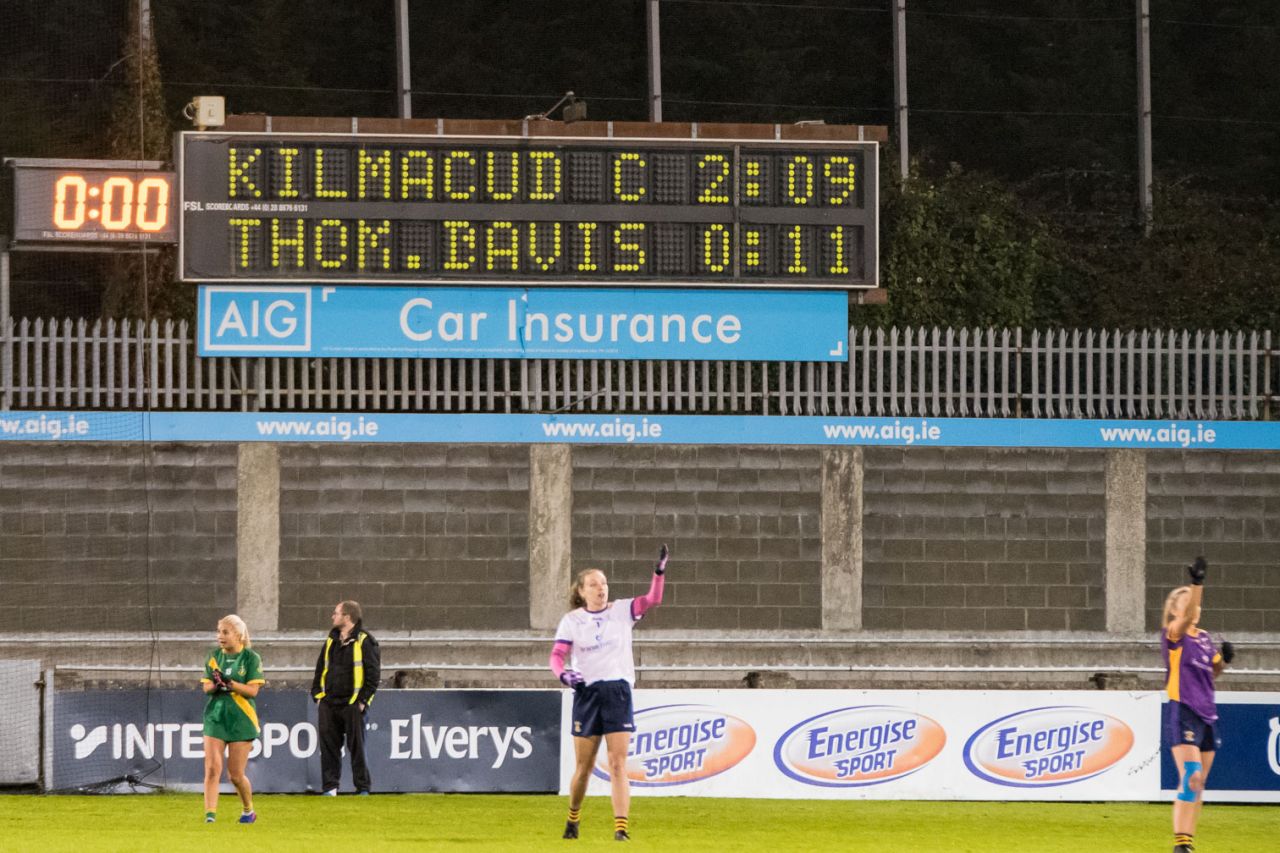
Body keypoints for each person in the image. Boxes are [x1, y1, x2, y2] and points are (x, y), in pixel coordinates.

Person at [550, 544, 669, 842]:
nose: (601, 588)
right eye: (594, 584)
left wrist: (659, 572)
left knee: (617, 762)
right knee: (584, 766)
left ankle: (621, 829)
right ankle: (573, 818)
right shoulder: (572, 620)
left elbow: (653, 598)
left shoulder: (622, 610)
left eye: (603, 583)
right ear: (581, 592)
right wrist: (563, 674)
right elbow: (556, 656)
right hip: (587, 693)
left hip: (617, 691)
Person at [1162, 556, 1235, 853]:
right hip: (1184, 711)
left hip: (1207, 714)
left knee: (1199, 783)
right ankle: (1180, 844)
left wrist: (1225, 660)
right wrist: (1197, 584)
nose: (1192, 603)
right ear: (1175, 611)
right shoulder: (1174, 636)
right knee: (1190, 775)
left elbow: (1214, 670)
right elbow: (1189, 613)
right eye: (1185, 600)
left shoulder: (1204, 638)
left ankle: (1188, 844)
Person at [201, 614, 265, 824]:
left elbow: (253, 691)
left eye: (225, 632)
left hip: (241, 719)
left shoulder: (251, 658)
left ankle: (248, 810)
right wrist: (217, 685)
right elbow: (206, 687)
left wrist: (230, 684)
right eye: (219, 631)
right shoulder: (213, 656)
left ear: (238, 635)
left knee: (235, 775)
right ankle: (210, 817)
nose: (220, 636)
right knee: (212, 769)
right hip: (216, 718)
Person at [312, 600, 381, 796]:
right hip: (329, 703)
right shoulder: (331, 641)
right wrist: (318, 696)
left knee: (357, 747)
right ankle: (330, 788)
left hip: (352, 704)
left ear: (347, 617)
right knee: (328, 748)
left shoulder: (365, 641)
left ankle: (363, 788)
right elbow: (319, 670)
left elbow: (373, 674)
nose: (332, 616)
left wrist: (362, 701)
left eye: (336, 613)